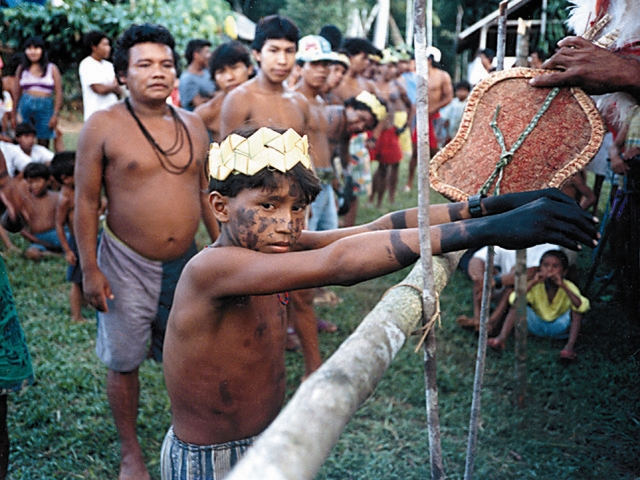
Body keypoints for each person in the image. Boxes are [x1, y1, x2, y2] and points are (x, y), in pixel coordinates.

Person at [160, 126, 598, 479]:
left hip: (266, 437)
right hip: (210, 462)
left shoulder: (273, 245)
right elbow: (340, 261)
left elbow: (377, 227)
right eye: (268, 204)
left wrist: (490, 209)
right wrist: (486, 233)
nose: (286, 223)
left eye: (297, 208)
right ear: (219, 206)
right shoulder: (211, 269)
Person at [74, 23, 218, 480]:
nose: (158, 72)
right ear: (122, 74)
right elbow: (83, 202)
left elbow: (204, 195)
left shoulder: (193, 126)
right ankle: (131, 452)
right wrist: (89, 269)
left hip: (188, 264)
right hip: (123, 262)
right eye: (144, 65)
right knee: (125, 359)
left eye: (165, 64)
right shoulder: (103, 125)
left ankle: (194, 437)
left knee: (193, 355)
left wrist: (221, 250)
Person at [488, 249, 589, 361]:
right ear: (540, 268)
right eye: (546, 265)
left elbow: (582, 306)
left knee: (577, 310)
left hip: (559, 327)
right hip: (536, 324)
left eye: (555, 266)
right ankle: (501, 339)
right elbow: (514, 300)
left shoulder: (568, 286)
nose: (550, 270)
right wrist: (532, 283)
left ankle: (569, 347)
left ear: (564, 272)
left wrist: (563, 286)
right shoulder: (536, 286)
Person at [220, 14, 309, 138]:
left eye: (289, 51)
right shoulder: (240, 99)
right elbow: (227, 155)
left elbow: (307, 153)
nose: (282, 60)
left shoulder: (300, 102)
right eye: (273, 50)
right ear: (257, 54)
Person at [456, 243, 561, 335]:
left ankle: (491, 323)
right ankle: (478, 319)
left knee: (514, 284)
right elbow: (477, 259)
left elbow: (531, 272)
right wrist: (480, 280)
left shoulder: (549, 246)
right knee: (483, 275)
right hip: (500, 291)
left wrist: (495, 281)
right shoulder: (509, 237)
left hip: (527, 301)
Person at [52, 151, 94, 324]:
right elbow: (59, 225)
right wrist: (67, 250)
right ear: (67, 178)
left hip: (89, 239)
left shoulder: (80, 189)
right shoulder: (65, 199)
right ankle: (76, 316)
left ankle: (85, 302)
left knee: (85, 274)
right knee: (76, 281)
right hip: (77, 242)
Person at [367, 49, 411, 207]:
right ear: (380, 67)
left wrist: (404, 125)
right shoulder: (371, 83)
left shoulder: (397, 86)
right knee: (378, 167)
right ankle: (372, 198)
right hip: (374, 131)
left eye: (393, 66)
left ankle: (385, 199)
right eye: (387, 65)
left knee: (389, 165)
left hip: (390, 130)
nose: (390, 69)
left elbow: (410, 106)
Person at [405, 46, 453, 191]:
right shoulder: (417, 76)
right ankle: (409, 182)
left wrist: (433, 108)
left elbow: (448, 97)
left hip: (434, 117)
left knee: (435, 151)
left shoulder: (442, 76)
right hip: (419, 117)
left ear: (430, 60)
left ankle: (440, 181)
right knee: (415, 151)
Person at [194, 41, 253, 143]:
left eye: (234, 68)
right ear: (214, 78)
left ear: (249, 69)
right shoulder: (209, 110)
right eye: (221, 72)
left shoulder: (266, 99)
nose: (229, 77)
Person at [11, 36, 63, 149]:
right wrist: (13, 114)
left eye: (36, 48)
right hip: (25, 104)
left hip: (45, 106)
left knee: (43, 140)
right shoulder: (22, 69)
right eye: (29, 49)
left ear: (42, 50)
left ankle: (41, 165)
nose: (33, 52)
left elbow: (59, 93)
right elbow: (16, 93)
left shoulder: (51, 68)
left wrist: (55, 114)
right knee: (24, 138)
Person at [20, 162, 62, 261]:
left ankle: (64, 251)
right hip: (38, 239)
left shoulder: (57, 197)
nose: (34, 185)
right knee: (31, 253)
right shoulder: (25, 202)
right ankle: (56, 254)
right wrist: (38, 241)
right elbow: (22, 230)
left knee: (75, 243)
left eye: (38, 181)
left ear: (48, 181)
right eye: (30, 182)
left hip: (58, 234)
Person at [78, 30, 121, 121]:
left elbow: (119, 90)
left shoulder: (109, 66)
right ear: (94, 47)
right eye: (104, 45)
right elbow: (99, 89)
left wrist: (110, 87)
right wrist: (113, 86)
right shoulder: (87, 64)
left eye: (108, 45)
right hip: (95, 115)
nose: (108, 48)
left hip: (112, 114)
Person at [178, 39, 216, 111]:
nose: (210, 55)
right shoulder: (187, 78)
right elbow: (199, 104)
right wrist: (217, 96)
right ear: (196, 55)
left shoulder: (207, 72)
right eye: (207, 52)